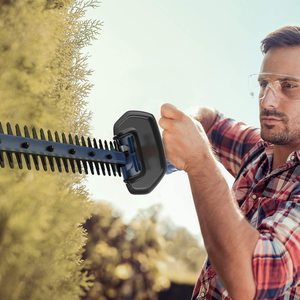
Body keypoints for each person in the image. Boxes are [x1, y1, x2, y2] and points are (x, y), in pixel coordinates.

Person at [159, 25, 300, 299]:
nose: (268, 101)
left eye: (289, 86)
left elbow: (250, 282)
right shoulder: (259, 150)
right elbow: (211, 120)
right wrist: (188, 123)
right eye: (263, 84)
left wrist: (199, 162)